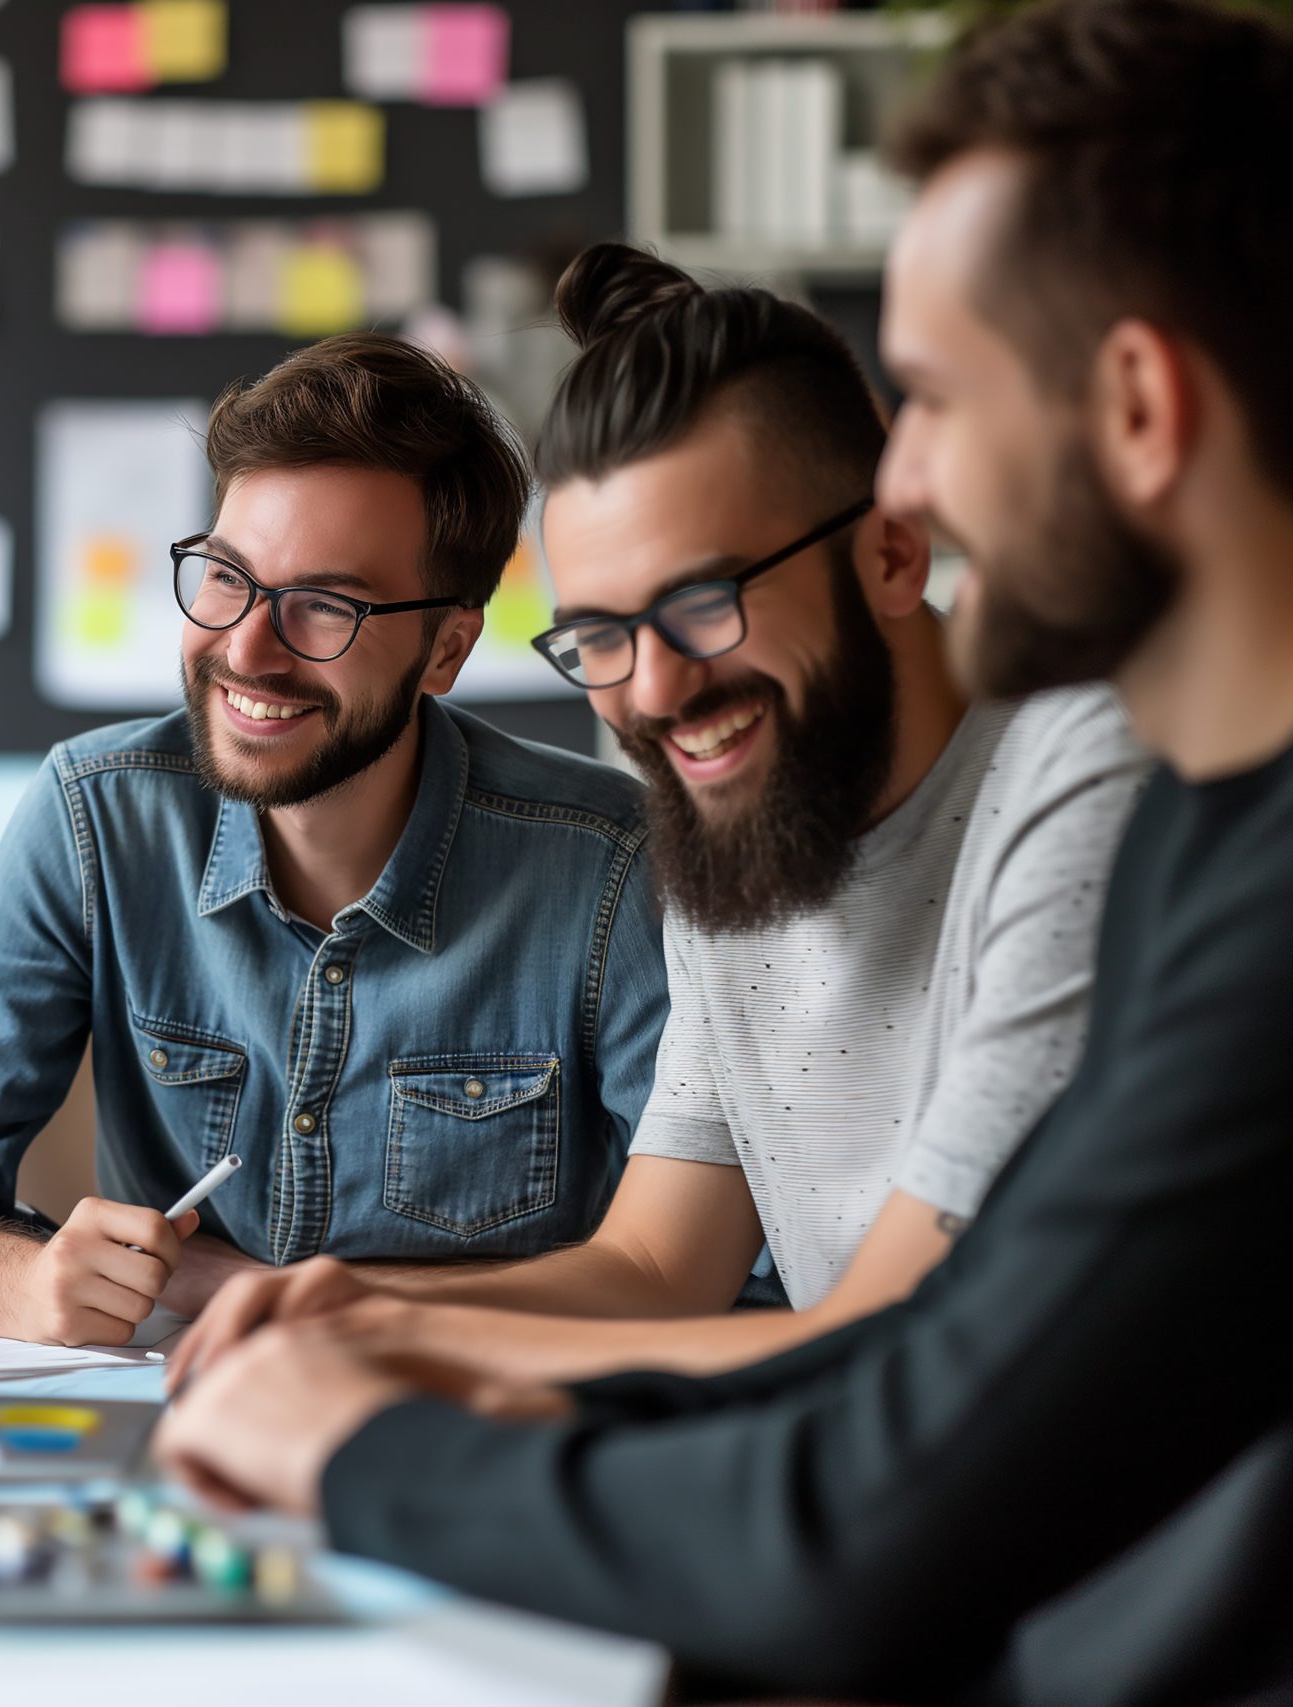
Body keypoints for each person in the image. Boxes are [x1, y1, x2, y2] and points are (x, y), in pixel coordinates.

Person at [154, 2, 1293, 1698]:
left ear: (1135, 406)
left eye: (927, 394)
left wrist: (362, 1443)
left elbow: (877, 1499)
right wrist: (401, 1353)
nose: (903, 476)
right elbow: (946, 1376)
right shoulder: (1258, 809)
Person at [166, 246, 1148, 1392]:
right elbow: (653, 1265)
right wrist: (339, 1306)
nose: (652, 695)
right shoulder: (747, 820)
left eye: (700, 606)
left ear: (891, 549)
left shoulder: (1079, 776)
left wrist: (405, 1342)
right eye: (598, 636)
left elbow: (916, 1333)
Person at [0, 333, 670, 1345]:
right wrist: (19, 1281)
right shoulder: (94, 817)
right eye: (225, 577)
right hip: (171, 1424)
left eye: (324, 607)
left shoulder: (612, 864)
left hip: (479, 1424)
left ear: (444, 649)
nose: (247, 649)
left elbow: (705, 1265)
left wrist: (266, 1298)